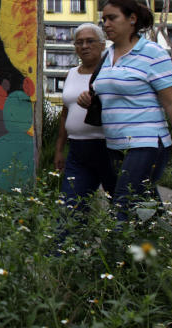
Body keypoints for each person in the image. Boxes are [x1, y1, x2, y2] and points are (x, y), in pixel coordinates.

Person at [78, 0, 172, 219]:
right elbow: (107, 93)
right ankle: (161, 246)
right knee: (146, 210)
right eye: (103, 19)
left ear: (132, 19)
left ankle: (115, 252)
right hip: (115, 145)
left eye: (112, 18)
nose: (106, 24)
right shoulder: (107, 56)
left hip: (146, 143)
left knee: (123, 207)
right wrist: (88, 98)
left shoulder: (153, 53)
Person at [54, 23, 115, 212]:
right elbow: (65, 113)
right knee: (70, 206)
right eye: (79, 42)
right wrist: (59, 149)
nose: (84, 46)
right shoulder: (71, 73)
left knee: (122, 203)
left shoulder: (112, 71)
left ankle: (134, 240)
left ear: (103, 44)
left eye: (90, 41)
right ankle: (72, 241)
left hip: (108, 148)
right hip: (77, 150)